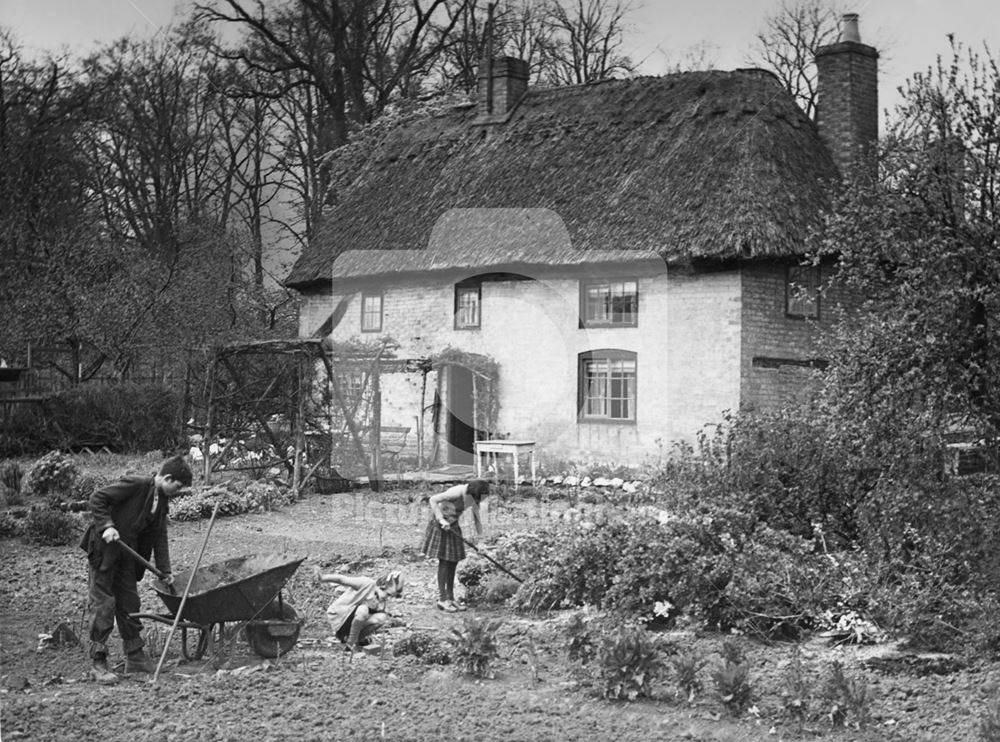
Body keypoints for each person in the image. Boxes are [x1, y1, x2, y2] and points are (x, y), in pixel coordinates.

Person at [79, 455, 192, 684]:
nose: (178, 491)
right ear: (167, 478)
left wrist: (165, 569)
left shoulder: (161, 500)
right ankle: (98, 663)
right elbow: (97, 498)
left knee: (130, 603)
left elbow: (159, 535)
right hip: (105, 552)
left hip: (127, 556)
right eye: (177, 486)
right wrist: (107, 526)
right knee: (104, 604)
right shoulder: (137, 484)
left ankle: (135, 656)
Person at [420, 479, 489, 612]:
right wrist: (441, 519)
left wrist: (481, 542)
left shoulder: (474, 497)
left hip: (452, 524)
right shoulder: (456, 493)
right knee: (445, 562)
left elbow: (477, 520)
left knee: (453, 561)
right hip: (440, 525)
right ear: (472, 492)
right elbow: (433, 499)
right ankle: (442, 599)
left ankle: (451, 598)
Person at [315, 569, 404, 651]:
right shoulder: (366, 583)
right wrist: (323, 578)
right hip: (340, 616)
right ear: (382, 586)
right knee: (363, 609)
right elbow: (342, 579)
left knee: (382, 617)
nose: (388, 598)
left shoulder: (381, 602)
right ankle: (351, 643)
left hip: (353, 622)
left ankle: (354, 639)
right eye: (388, 594)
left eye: (391, 596)